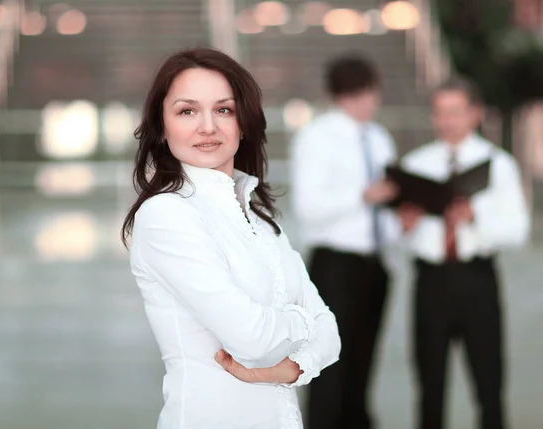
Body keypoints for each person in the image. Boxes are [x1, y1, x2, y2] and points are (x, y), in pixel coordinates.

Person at [122, 48, 341, 429]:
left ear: (244, 122)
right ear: (162, 126)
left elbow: (333, 336)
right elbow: (254, 343)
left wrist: (292, 368)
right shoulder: (166, 215)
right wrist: (305, 324)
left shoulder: (259, 215)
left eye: (223, 109)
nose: (208, 126)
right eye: (187, 111)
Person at [397, 78, 531, 429]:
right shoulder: (415, 163)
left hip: (477, 280)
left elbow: (517, 231)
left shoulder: (498, 164)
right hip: (430, 280)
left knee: (488, 383)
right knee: (429, 385)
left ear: (475, 114)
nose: (447, 121)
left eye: (455, 112)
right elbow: (402, 237)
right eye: (440, 113)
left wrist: (475, 217)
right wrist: (405, 226)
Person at [290, 54, 400, 429]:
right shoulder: (318, 137)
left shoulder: (379, 137)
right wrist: (362, 195)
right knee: (328, 368)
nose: (371, 101)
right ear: (345, 95)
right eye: (364, 93)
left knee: (363, 362)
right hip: (334, 266)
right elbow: (309, 207)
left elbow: (387, 202)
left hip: (375, 264)